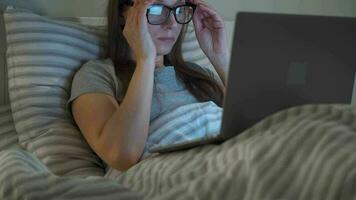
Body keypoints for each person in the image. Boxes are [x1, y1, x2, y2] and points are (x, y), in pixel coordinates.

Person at [67, 0, 230, 172]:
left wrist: (220, 57)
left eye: (179, 9)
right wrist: (145, 60)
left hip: (231, 156)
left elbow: (253, 128)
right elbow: (121, 155)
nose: (172, 23)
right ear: (124, 13)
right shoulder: (97, 74)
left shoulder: (200, 75)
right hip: (181, 170)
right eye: (157, 9)